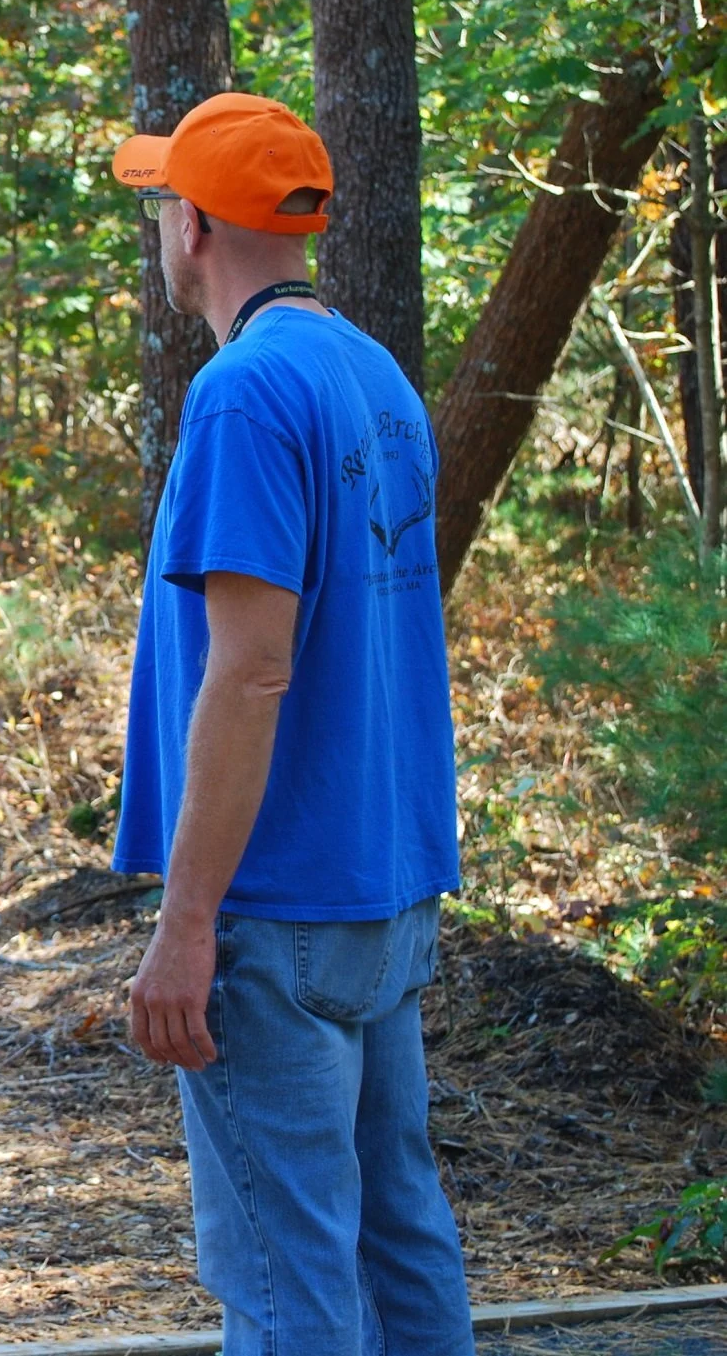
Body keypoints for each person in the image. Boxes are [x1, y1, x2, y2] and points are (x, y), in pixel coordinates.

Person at [109, 92, 473, 1356]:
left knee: (286, 1276)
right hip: (386, 886)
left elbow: (250, 671)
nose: (157, 222)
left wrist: (185, 923)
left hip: (277, 908)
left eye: (161, 201)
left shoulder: (244, 394)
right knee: (397, 1234)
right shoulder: (372, 375)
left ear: (195, 224)